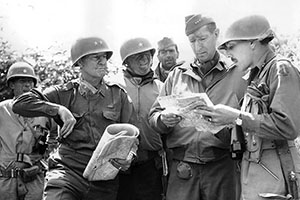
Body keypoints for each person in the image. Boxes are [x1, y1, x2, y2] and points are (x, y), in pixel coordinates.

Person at [12, 37, 138, 200]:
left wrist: (130, 157)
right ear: (80, 63)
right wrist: (58, 109)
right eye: (96, 57)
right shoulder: (63, 93)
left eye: (104, 57)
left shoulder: (118, 95)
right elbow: (20, 104)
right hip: (67, 173)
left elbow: (134, 134)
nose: (103, 62)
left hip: (103, 178)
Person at [198, 15, 300, 200]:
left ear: (253, 43)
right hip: (254, 177)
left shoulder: (280, 69)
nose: (228, 54)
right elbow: (249, 130)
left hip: (276, 179)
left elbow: (288, 126)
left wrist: (235, 117)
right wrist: (215, 123)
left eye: (232, 46)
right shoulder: (254, 77)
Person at [149, 14, 247, 200]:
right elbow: (154, 116)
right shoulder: (177, 75)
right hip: (183, 168)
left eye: (203, 39)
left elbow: (249, 120)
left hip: (222, 165)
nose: (197, 46)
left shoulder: (237, 73)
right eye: (192, 41)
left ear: (216, 34)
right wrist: (163, 119)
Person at [116, 37, 164, 200]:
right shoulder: (114, 86)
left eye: (148, 55)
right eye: (138, 56)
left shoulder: (161, 88)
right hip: (119, 162)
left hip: (151, 163)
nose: (145, 60)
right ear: (126, 62)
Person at [0, 61, 49, 200]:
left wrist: (44, 160)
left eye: (30, 82)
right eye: (22, 81)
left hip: (33, 177)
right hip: (6, 178)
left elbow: (56, 137)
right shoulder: (2, 109)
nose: (28, 85)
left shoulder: (44, 111)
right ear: (11, 85)